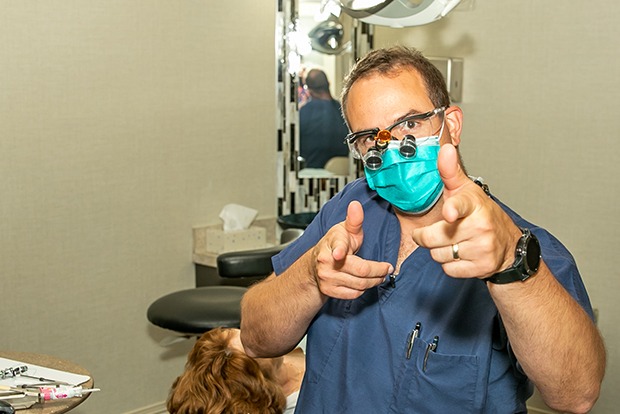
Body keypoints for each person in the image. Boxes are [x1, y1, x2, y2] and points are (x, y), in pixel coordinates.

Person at [240, 46, 605, 413]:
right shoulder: (349, 208)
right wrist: (309, 277)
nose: (393, 148)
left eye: (410, 124)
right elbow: (256, 339)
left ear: (452, 125)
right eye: (370, 137)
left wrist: (512, 262)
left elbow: (576, 395)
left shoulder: (519, 248)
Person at [167, 328, 305, 414]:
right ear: (259, 382)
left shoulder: (293, 338)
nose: (261, 331)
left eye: (244, 330)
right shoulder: (303, 401)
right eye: (256, 344)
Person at [299, 68, 350, 168]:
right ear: (329, 84)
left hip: (310, 174)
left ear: (309, 90)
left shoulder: (305, 112)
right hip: (342, 172)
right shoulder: (343, 110)